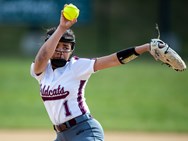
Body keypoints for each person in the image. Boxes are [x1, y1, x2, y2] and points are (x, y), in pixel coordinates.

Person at [30, 10, 154, 141]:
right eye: (56, 46)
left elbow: (113, 60)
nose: (61, 51)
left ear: (71, 50)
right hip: (61, 136)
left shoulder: (76, 66)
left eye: (66, 46)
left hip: (84, 131)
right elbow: (42, 57)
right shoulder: (41, 71)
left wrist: (146, 47)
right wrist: (61, 28)